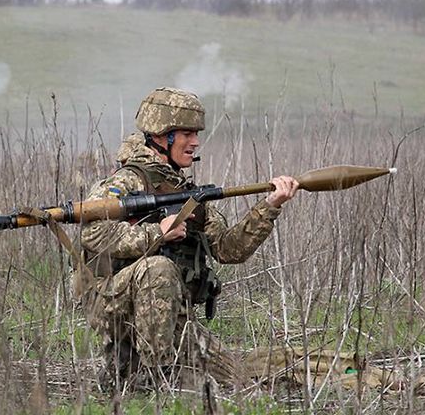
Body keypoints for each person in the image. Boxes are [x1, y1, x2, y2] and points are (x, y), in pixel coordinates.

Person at [78, 87, 299, 391]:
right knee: (157, 269)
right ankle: (152, 379)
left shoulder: (186, 191)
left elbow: (228, 249)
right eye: (186, 134)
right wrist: (157, 233)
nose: (195, 142)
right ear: (161, 135)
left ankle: (138, 368)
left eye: (196, 133)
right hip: (111, 300)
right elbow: (93, 233)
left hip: (170, 316)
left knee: (240, 382)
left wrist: (270, 206)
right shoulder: (125, 181)